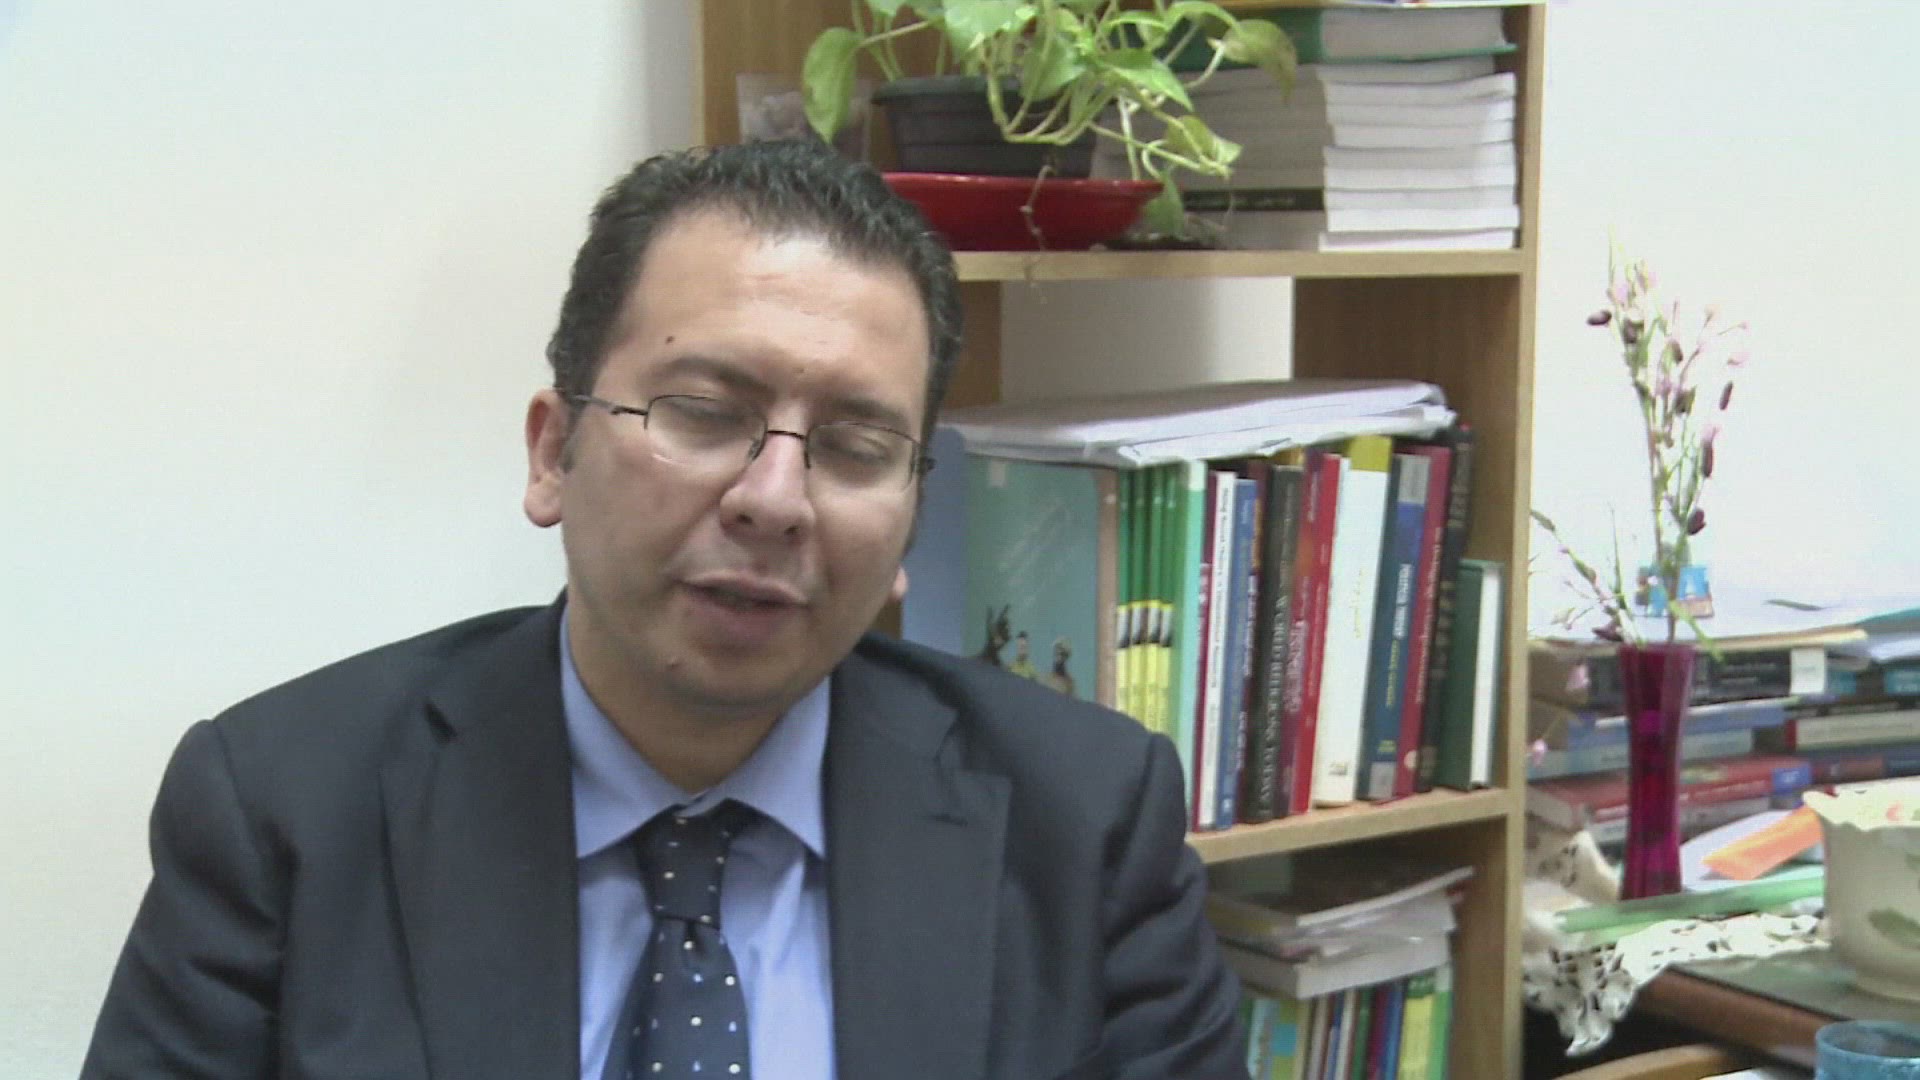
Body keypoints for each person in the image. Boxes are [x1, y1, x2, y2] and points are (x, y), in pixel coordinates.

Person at [82, 139, 1246, 1080]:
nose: (774, 500)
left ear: (908, 525)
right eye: (703, 412)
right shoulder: (283, 809)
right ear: (554, 452)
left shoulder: (1085, 818)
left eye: (855, 446)